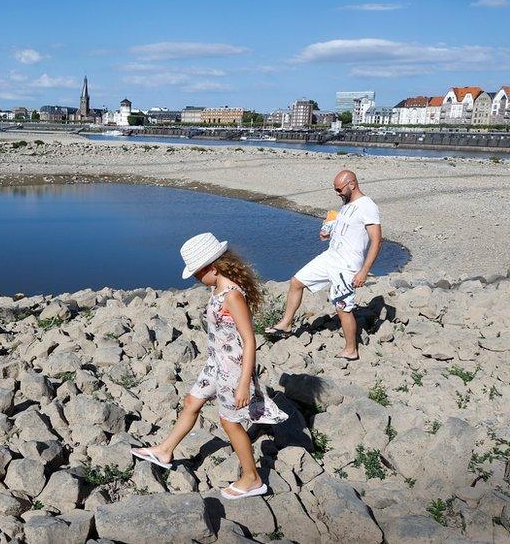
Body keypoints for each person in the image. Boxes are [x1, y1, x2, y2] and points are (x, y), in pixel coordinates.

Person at [131, 232, 288, 499]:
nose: (194, 278)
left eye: (197, 272)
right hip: (215, 363)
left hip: (233, 369)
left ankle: (252, 478)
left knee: (230, 422)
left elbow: (250, 341)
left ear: (213, 268)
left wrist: (243, 385)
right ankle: (165, 450)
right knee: (192, 402)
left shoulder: (232, 295)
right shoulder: (217, 288)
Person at [265, 170, 382, 361]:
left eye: (339, 189)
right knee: (296, 282)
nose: (337, 192)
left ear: (352, 184)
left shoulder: (368, 206)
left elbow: (376, 241)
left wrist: (364, 271)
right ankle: (286, 324)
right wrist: (328, 233)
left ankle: (351, 349)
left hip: (347, 265)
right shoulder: (346, 205)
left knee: (342, 308)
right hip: (330, 257)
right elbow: (344, 230)